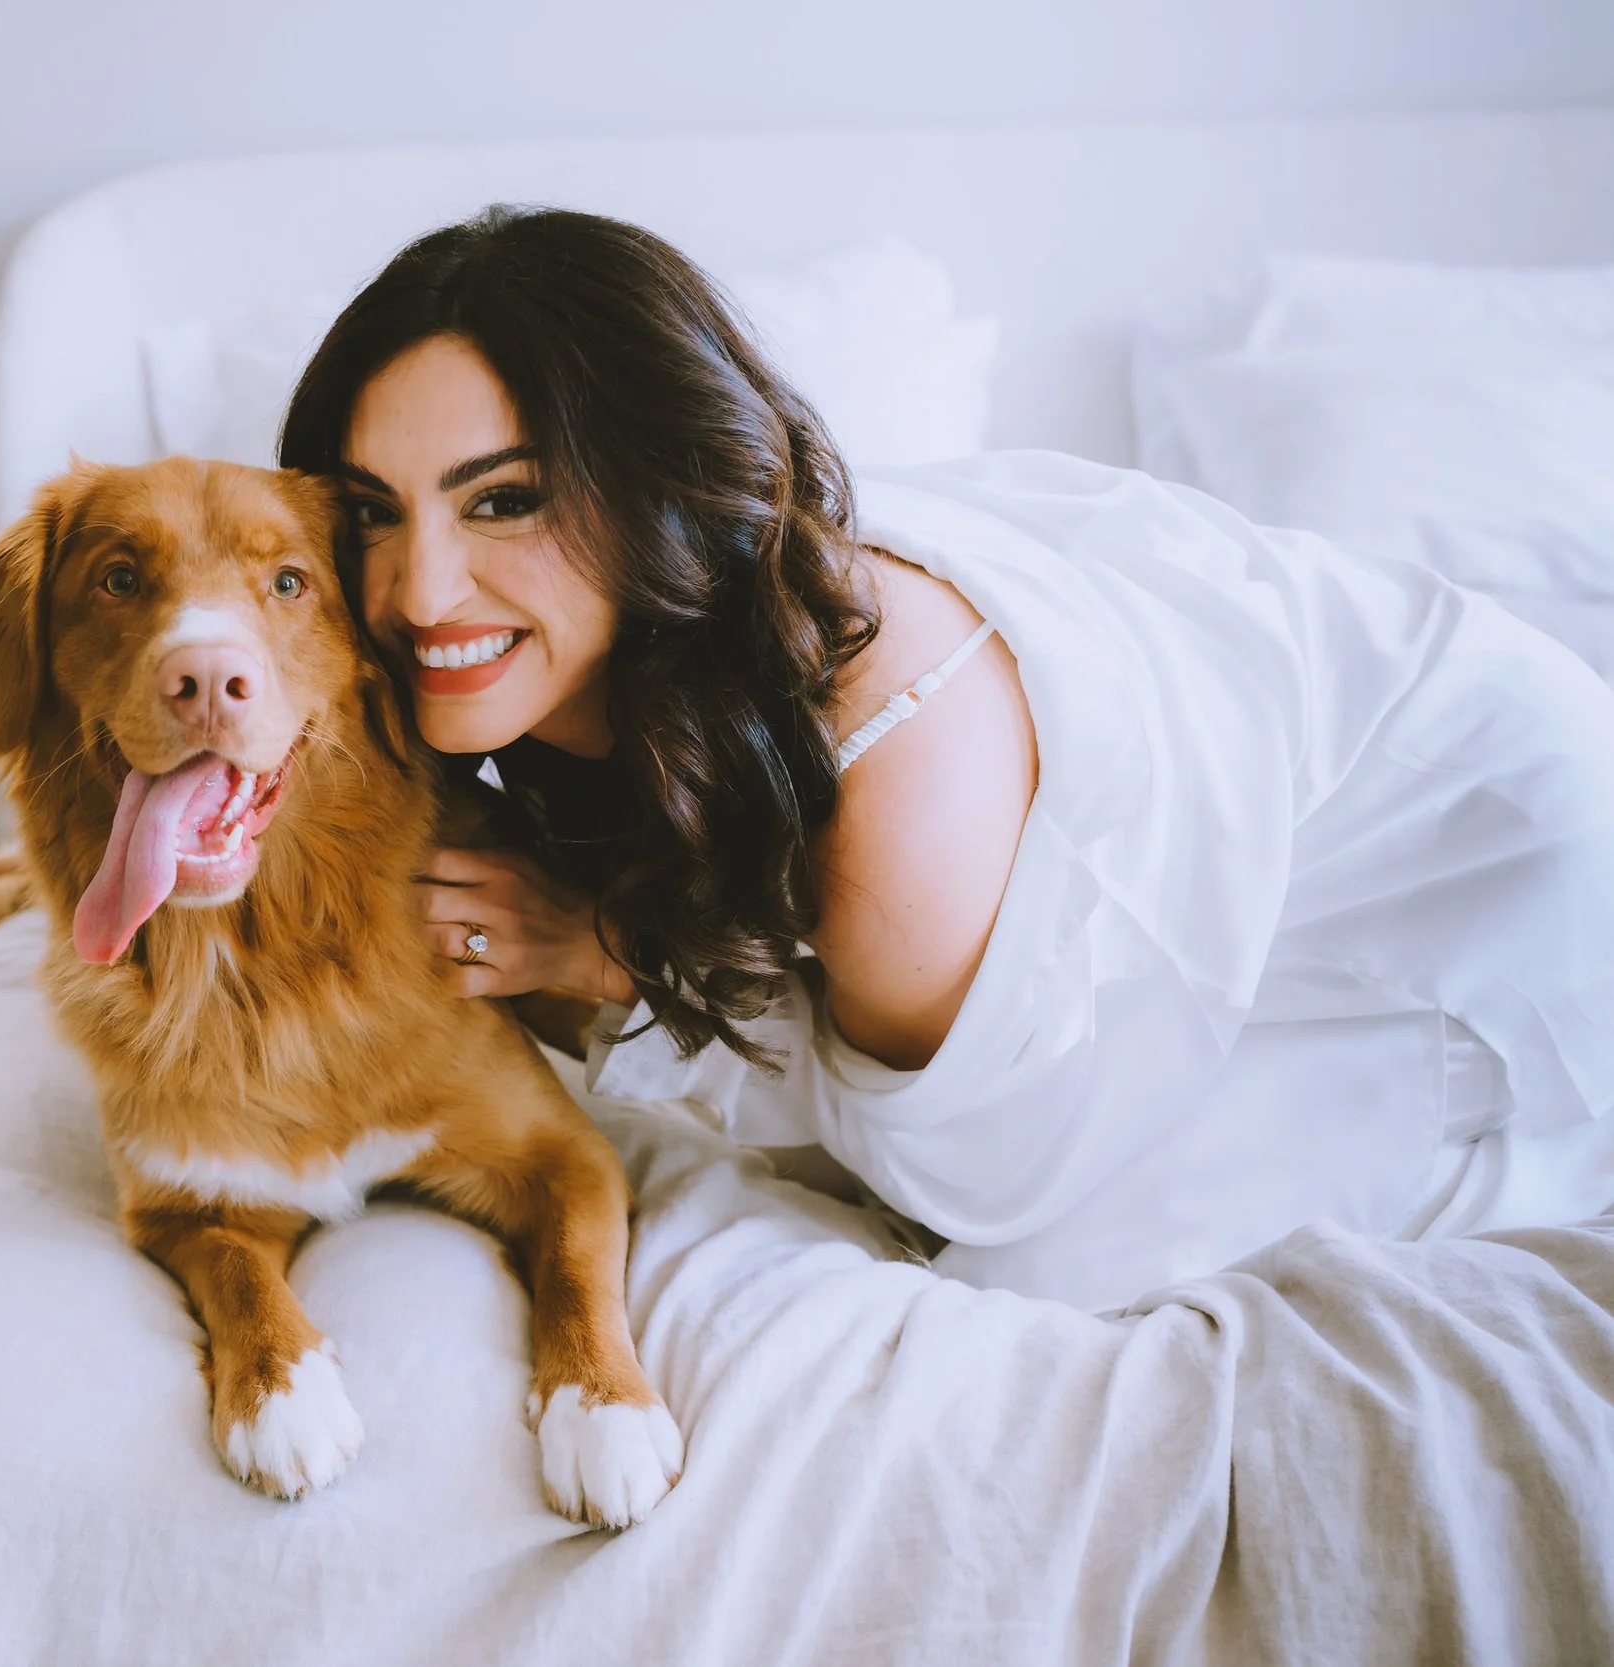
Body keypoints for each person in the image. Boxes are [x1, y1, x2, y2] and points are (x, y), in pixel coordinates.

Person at [277, 205, 1614, 1311]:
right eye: (372, 512)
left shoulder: (883, 755)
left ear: (655, 486)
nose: (419, 589)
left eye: (504, 499)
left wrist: (609, 959)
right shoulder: (585, 671)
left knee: (1036, 1277)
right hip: (1305, 790)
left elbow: (972, 1178)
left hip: (1484, 867)